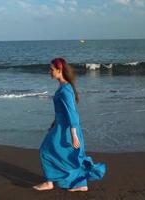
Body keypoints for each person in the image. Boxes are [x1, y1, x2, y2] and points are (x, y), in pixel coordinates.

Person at [33, 58, 106, 192]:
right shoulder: (62, 86)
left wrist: (74, 135)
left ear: (59, 71)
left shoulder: (65, 89)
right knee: (68, 156)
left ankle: (50, 183)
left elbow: (72, 113)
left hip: (67, 129)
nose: (49, 71)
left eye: (51, 69)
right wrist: (54, 122)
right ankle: (81, 184)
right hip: (61, 126)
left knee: (46, 150)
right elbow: (62, 110)